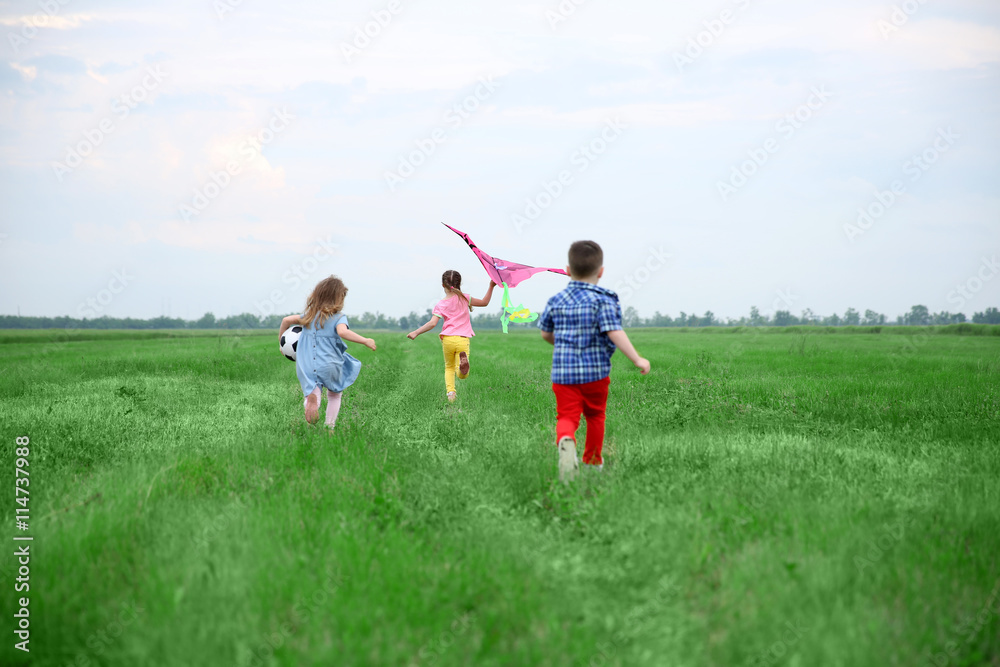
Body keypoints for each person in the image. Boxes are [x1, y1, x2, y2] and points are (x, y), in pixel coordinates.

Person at [538, 241, 650, 481]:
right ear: (601, 271)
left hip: (563, 375)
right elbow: (614, 331)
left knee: (566, 417)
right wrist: (637, 358)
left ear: (567, 270)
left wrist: (563, 343)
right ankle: (592, 462)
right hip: (596, 374)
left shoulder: (556, 300)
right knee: (595, 416)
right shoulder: (604, 300)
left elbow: (546, 334)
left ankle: (566, 439)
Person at [279, 275, 376, 428]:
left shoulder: (309, 316)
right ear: (339, 298)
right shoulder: (339, 317)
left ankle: (311, 401)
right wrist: (365, 340)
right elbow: (343, 333)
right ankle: (329, 427)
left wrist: (280, 343)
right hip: (330, 363)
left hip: (307, 364)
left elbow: (286, 320)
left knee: (313, 389)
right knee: (335, 395)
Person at [407, 270, 495, 402]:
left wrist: (416, 332)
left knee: (448, 367)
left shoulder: (441, 304)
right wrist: (491, 286)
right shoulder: (465, 298)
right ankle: (462, 370)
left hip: (448, 340)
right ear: (459, 283)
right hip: (462, 339)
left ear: (443, 285)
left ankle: (451, 395)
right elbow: (484, 302)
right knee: (461, 374)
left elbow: (432, 323)